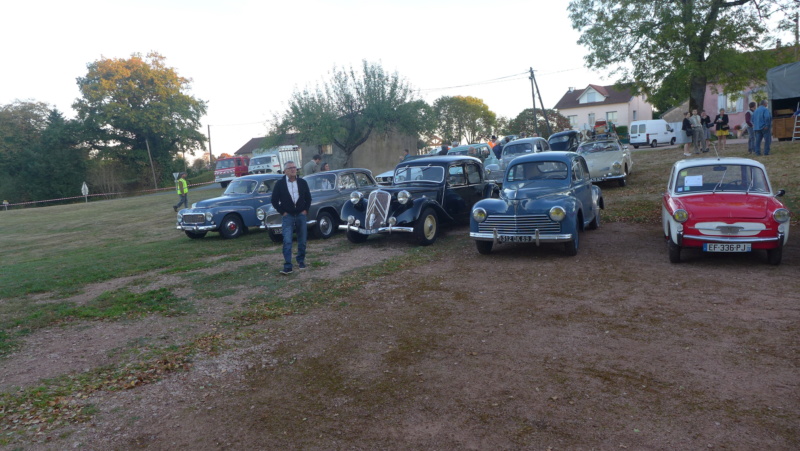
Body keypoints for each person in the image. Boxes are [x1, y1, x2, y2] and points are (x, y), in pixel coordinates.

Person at [271, 161, 312, 275]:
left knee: (302, 240)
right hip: (287, 215)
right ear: (285, 171)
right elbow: (274, 200)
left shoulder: (302, 182)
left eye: (294, 167)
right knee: (287, 240)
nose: (293, 169)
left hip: (301, 214)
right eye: (290, 168)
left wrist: (305, 210)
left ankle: (301, 260)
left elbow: (308, 198)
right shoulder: (280, 184)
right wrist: (282, 212)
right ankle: (288, 265)